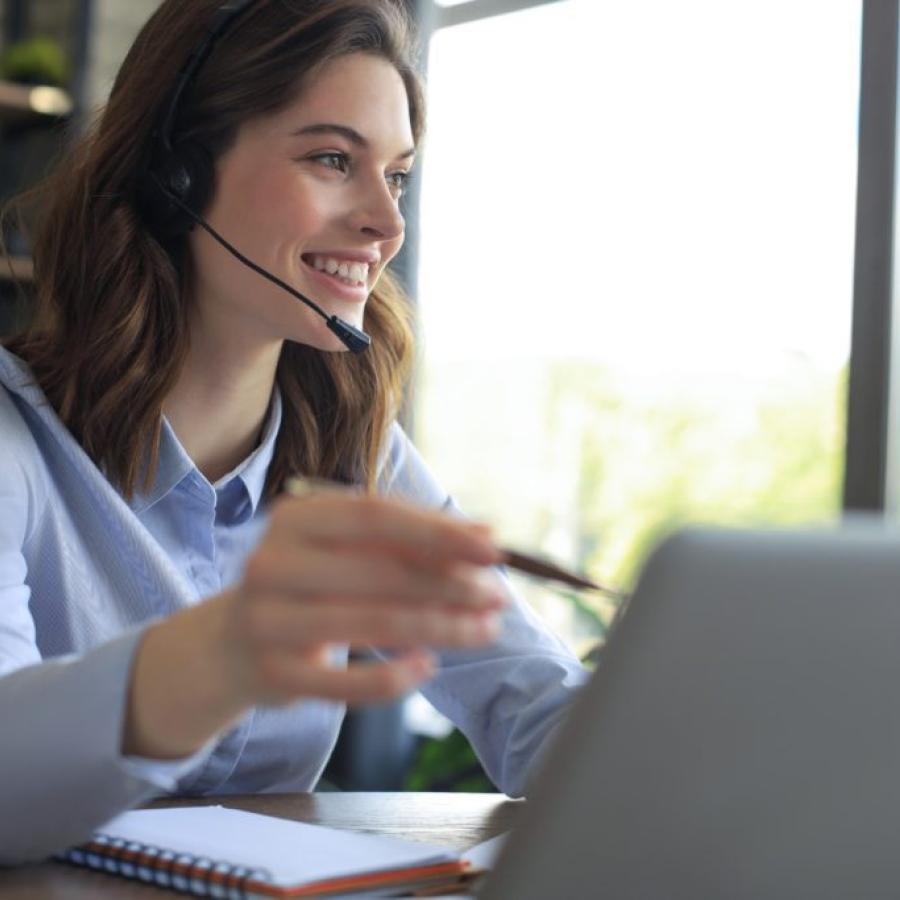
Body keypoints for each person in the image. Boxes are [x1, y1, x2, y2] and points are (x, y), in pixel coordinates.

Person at [0, 0, 587, 865]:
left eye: (396, 176)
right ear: (178, 175)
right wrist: (214, 656)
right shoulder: (16, 443)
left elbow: (529, 698)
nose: (386, 226)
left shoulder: (354, 450)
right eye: (331, 159)